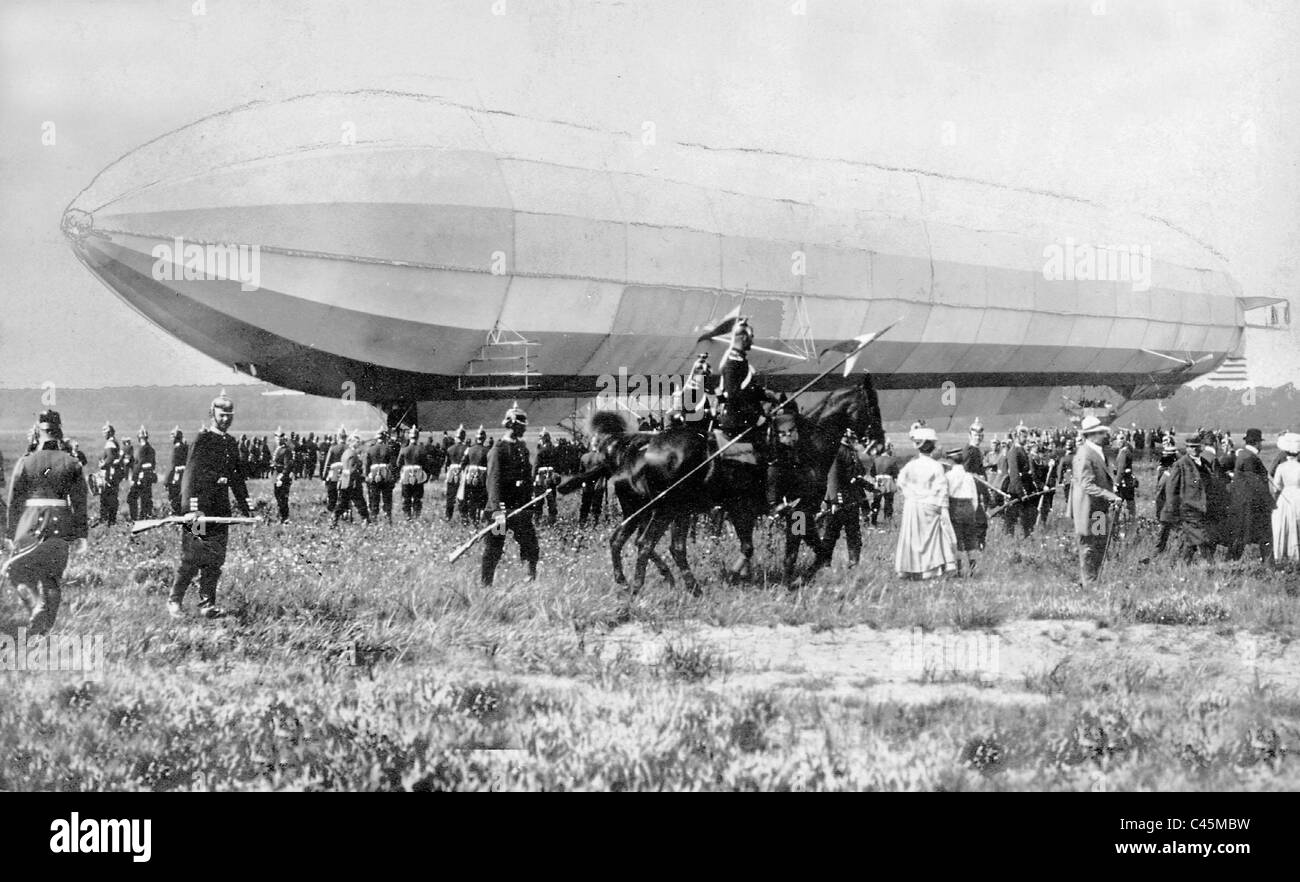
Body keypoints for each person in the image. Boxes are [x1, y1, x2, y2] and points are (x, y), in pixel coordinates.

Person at [4, 411, 89, 634]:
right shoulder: (72, 463)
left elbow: (14, 502)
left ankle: (35, 607)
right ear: (59, 433)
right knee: (52, 578)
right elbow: (80, 502)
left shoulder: (25, 462)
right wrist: (81, 534)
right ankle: (44, 629)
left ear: (38, 433)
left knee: (16, 571)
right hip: (61, 523)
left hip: (30, 524)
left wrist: (11, 534)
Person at [168, 393, 251, 619]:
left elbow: (237, 478)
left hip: (219, 511)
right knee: (192, 556)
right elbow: (190, 476)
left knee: (215, 559)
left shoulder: (231, 443)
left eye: (229, 416)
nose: (226, 419)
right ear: (212, 414)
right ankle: (174, 601)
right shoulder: (202, 440)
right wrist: (191, 509)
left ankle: (207, 605)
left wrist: (247, 508)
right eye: (222, 415)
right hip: (199, 511)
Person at [766, 413, 831, 585]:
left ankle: (800, 579)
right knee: (794, 548)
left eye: (791, 432)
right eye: (784, 433)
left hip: (805, 510)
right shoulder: (779, 462)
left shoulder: (799, 455)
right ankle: (789, 584)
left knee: (818, 550)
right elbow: (774, 489)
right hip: (797, 511)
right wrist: (778, 505)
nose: (789, 436)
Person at [481, 404, 540, 586]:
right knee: (494, 548)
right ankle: (486, 585)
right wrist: (498, 511)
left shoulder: (522, 449)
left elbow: (527, 479)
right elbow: (493, 483)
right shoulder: (498, 450)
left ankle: (529, 581)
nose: (524, 427)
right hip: (500, 512)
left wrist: (530, 504)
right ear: (512, 425)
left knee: (531, 546)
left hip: (519, 510)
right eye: (521, 423)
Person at [894, 428, 958, 580]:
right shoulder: (936, 466)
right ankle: (928, 569)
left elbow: (901, 482)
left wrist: (911, 495)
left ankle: (908, 569)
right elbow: (942, 489)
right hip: (930, 504)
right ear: (932, 446)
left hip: (913, 505)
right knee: (930, 538)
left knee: (912, 536)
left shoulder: (911, 465)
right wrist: (942, 507)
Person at [1160, 431, 1227, 564]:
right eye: (1191, 447)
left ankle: (1182, 566)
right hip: (1188, 509)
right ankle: (1211, 565)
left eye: (1197, 446)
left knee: (1191, 542)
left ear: (1201, 447)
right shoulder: (1181, 464)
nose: (1194, 449)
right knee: (1203, 538)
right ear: (1186, 448)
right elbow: (1171, 490)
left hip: (1202, 508)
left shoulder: (1204, 463)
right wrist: (1172, 511)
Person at [1070, 417, 1122, 584]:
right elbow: (1087, 485)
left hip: (1098, 509)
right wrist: (1111, 496)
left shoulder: (1097, 452)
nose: (1104, 435)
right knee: (1088, 547)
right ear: (1091, 435)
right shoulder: (1084, 454)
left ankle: (1092, 580)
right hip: (1087, 510)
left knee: (1099, 544)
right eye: (1101, 432)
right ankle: (1089, 583)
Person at [1226, 428, 1275, 564]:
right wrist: (1271, 503)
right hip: (1251, 505)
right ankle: (1268, 565)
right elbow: (1257, 484)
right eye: (1260, 443)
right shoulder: (1249, 458)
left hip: (1243, 504)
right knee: (1264, 535)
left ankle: (1229, 563)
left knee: (1240, 536)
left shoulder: (1244, 455)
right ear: (1257, 443)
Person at [821, 428, 866, 568]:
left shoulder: (851, 450)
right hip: (838, 499)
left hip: (851, 498)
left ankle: (854, 563)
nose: (854, 435)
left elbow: (861, 470)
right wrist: (835, 500)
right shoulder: (837, 450)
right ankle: (824, 563)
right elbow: (833, 476)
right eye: (851, 433)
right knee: (831, 534)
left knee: (854, 533)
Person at [944, 445, 987, 576]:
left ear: (951, 461)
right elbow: (975, 498)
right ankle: (973, 567)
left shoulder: (948, 476)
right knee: (970, 539)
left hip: (955, 506)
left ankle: (959, 570)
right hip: (968, 507)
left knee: (957, 539)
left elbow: (945, 495)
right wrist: (972, 511)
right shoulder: (969, 476)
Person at [1000, 425, 1039, 538]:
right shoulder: (1013, 451)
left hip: (1025, 488)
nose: (1026, 439)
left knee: (1028, 516)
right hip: (1016, 490)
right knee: (1011, 517)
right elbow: (1014, 474)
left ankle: (1027, 537)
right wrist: (1021, 492)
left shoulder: (1021, 450)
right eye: (1023, 437)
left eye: (1026, 437)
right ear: (1017, 436)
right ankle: (1008, 539)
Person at [1271, 433, 1300, 563]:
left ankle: (1283, 554)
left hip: (1285, 496)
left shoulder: (1281, 467)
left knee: (1284, 524)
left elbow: (1276, 486)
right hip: (1298, 495)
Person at [331, 433, 371, 526]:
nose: (359, 444)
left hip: (345, 480)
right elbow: (352, 469)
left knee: (343, 501)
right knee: (359, 501)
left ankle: (334, 518)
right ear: (353, 443)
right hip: (352, 481)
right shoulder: (352, 454)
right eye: (357, 442)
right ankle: (365, 520)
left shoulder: (347, 452)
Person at [363, 428, 397, 524]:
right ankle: (388, 516)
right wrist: (394, 477)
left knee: (374, 497)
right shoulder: (389, 448)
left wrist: (366, 476)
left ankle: (374, 517)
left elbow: (367, 465)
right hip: (386, 475)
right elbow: (393, 465)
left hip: (373, 475)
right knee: (387, 497)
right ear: (385, 437)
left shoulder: (370, 449)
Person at [459, 427, 490, 524]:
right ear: (484, 438)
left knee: (472, 499)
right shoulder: (488, 450)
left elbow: (463, 464)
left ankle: (472, 519)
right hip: (483, 479)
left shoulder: (469, 449)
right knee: (482, 499)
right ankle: (479, 518)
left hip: (470, 478)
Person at [397, 427, 429, 520]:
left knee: (406, 497)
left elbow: (398, 463)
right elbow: (426, 464)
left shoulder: (404, 449)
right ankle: (416, 515)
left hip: (406, 475)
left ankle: (407, 516)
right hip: (418, 475)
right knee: (417, 497)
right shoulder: (422, 449)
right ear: (417, 437)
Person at [127, 426, 157, 520]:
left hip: (140, 478)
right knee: (146, 498)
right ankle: (146, 516)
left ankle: (135, 518)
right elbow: (153, 464)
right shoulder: (151, 449)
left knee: (132, 498)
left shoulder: (141, 450)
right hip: (148, 476)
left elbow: (138, 465)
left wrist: (133, 479)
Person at [533, 428, 562, 525]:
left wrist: (532, 479)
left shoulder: (540, 451)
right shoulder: (555, 450)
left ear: (544, 439)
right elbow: (558, 465)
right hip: (552, 478)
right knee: (551, 500)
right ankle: (552, 520)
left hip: (541, 479)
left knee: (539, 501)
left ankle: (537, 521)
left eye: (540, 437)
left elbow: (535, 466)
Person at [96, 423, 123, 526]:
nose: (103, 434)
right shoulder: (114, 442)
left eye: (105, 432)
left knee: (107, 496)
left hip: (110, 474)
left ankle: (107, 519)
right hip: (113, 473)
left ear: (109, 432)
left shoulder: (110, 443)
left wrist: (103, 464)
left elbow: (110, 458)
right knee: (111, 496)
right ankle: (109, 519)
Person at [577, 437, 606, 527]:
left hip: (587, 485)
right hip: (598, 484)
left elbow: (581, 473)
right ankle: (595, 524)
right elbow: (606, 473)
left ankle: (582, 523)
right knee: (596, 506)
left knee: (585, 505)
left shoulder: (584, 457)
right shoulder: (602, 457)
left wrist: (583, 484)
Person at [444, 425, 468, 521]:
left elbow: (447, 464)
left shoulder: (450, 449)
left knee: (450, 496)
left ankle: (448, 516)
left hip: (452, 473)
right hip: (463, 473)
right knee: (463, 497)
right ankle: (464, 517)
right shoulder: (467, 448)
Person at [165, 426, 189, 515]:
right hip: (184, 476)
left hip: (176, 477)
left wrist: (166, 481)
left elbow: (172, 466)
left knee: (174, 498)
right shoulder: (185, 447)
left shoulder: (176, 449)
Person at [270, 429, 293, 523]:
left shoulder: (286, 450)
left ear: (283, 439)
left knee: (282, 498)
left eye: (280, 438)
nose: (278, 440)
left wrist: (282, 477)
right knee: (278, 497)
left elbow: (287, 466)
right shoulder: (278, 449)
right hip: (276, 476)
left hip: (282, 477)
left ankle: (284, 517)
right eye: (276, 438)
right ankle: (281, 516)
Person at [323, 428, 347, 514]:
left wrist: (324, 475)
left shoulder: (333, 448)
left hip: (334, 474)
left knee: (332, 492)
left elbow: (328, 463)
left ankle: (332, 508)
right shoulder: (349, 448)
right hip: (345, 474)